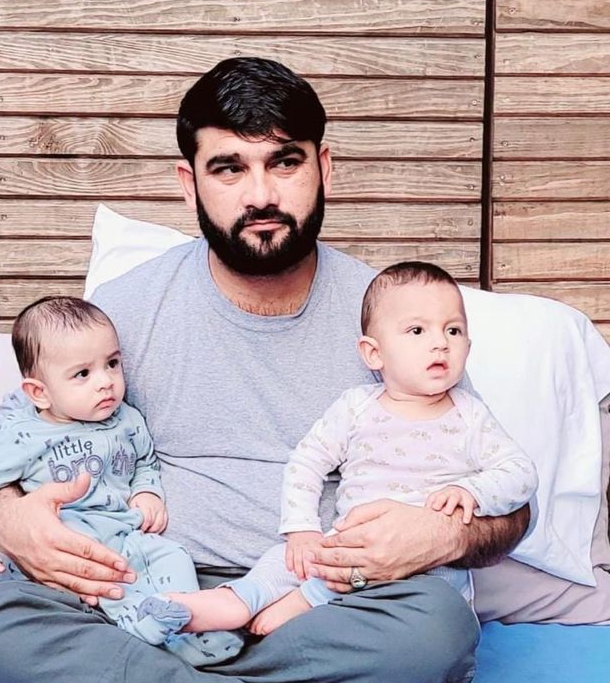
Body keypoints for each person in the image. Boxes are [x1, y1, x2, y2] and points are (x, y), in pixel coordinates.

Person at [0, 57, 530, 683]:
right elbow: (6, 437)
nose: (261, 196)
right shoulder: (121, 311)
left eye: (284, 162)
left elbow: (514, 507)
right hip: (142, 597)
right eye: (229, 168)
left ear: (324, 167)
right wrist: (6, 514)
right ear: (189, 182)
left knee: (434, 631)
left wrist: (446, 538)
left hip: (319, 603)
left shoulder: (395, 318)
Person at [163, 262, 538, 637]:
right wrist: (302, 529)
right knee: (286, 559)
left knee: (437, 594)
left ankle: (308, 600)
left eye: (453, 330)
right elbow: (306, 463)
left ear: (467, 347)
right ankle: (239, 600)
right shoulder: (357, 407)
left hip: (425, 566)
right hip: (346, 547)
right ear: (374, 353)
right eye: (417, 330)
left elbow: (521, 474)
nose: (440, 342)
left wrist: (472, 491)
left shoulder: (470, 416)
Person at [0, 296, 243, 667]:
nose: (106, 382)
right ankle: (142, 628)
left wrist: (147, 490)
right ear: (40, 393)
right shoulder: (22, 436)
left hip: (126, 531)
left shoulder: (127, 420)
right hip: (71, 540)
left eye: (112, 364)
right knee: (98, 582)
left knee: (172, 555)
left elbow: (145, 461)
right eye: (83, 374)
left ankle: (188, 623)